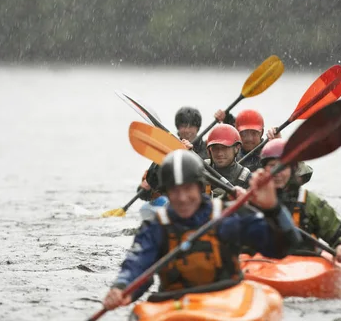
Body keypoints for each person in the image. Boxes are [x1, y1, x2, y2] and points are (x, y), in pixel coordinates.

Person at [102, 150, 301, 310]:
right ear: (166, 192)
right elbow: (137, 265)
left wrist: (272, 209)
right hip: (176, 306)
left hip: (228, 302)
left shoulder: (226, 217)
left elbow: (283, 247)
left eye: (187, 189)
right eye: (174, 190)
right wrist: (121, 288)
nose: (182, 198)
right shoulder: (157, 226)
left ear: (200, 187)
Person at [259, 139, 341, 262]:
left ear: (293, 170)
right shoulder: (253, 200)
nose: (277, 173)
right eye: (272, 166)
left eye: (283, 166)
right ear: (264, 169)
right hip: (262, 266)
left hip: (305, 265)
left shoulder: (309, 201)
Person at [138, 106, 206, 201]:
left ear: (197, 128)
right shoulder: (169, 150)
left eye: (191, 126)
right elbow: (150, 183)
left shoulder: (209, 149)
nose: (187, 130)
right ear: (178, 128)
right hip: (174, 201)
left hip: (199, 199)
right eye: (183, 126)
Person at [205, 125, 251, 195]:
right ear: (209, 150)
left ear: (236, 148)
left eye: (224, 148)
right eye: (215, 148)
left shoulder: (246, 178)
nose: (219, 153)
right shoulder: (201, 170)